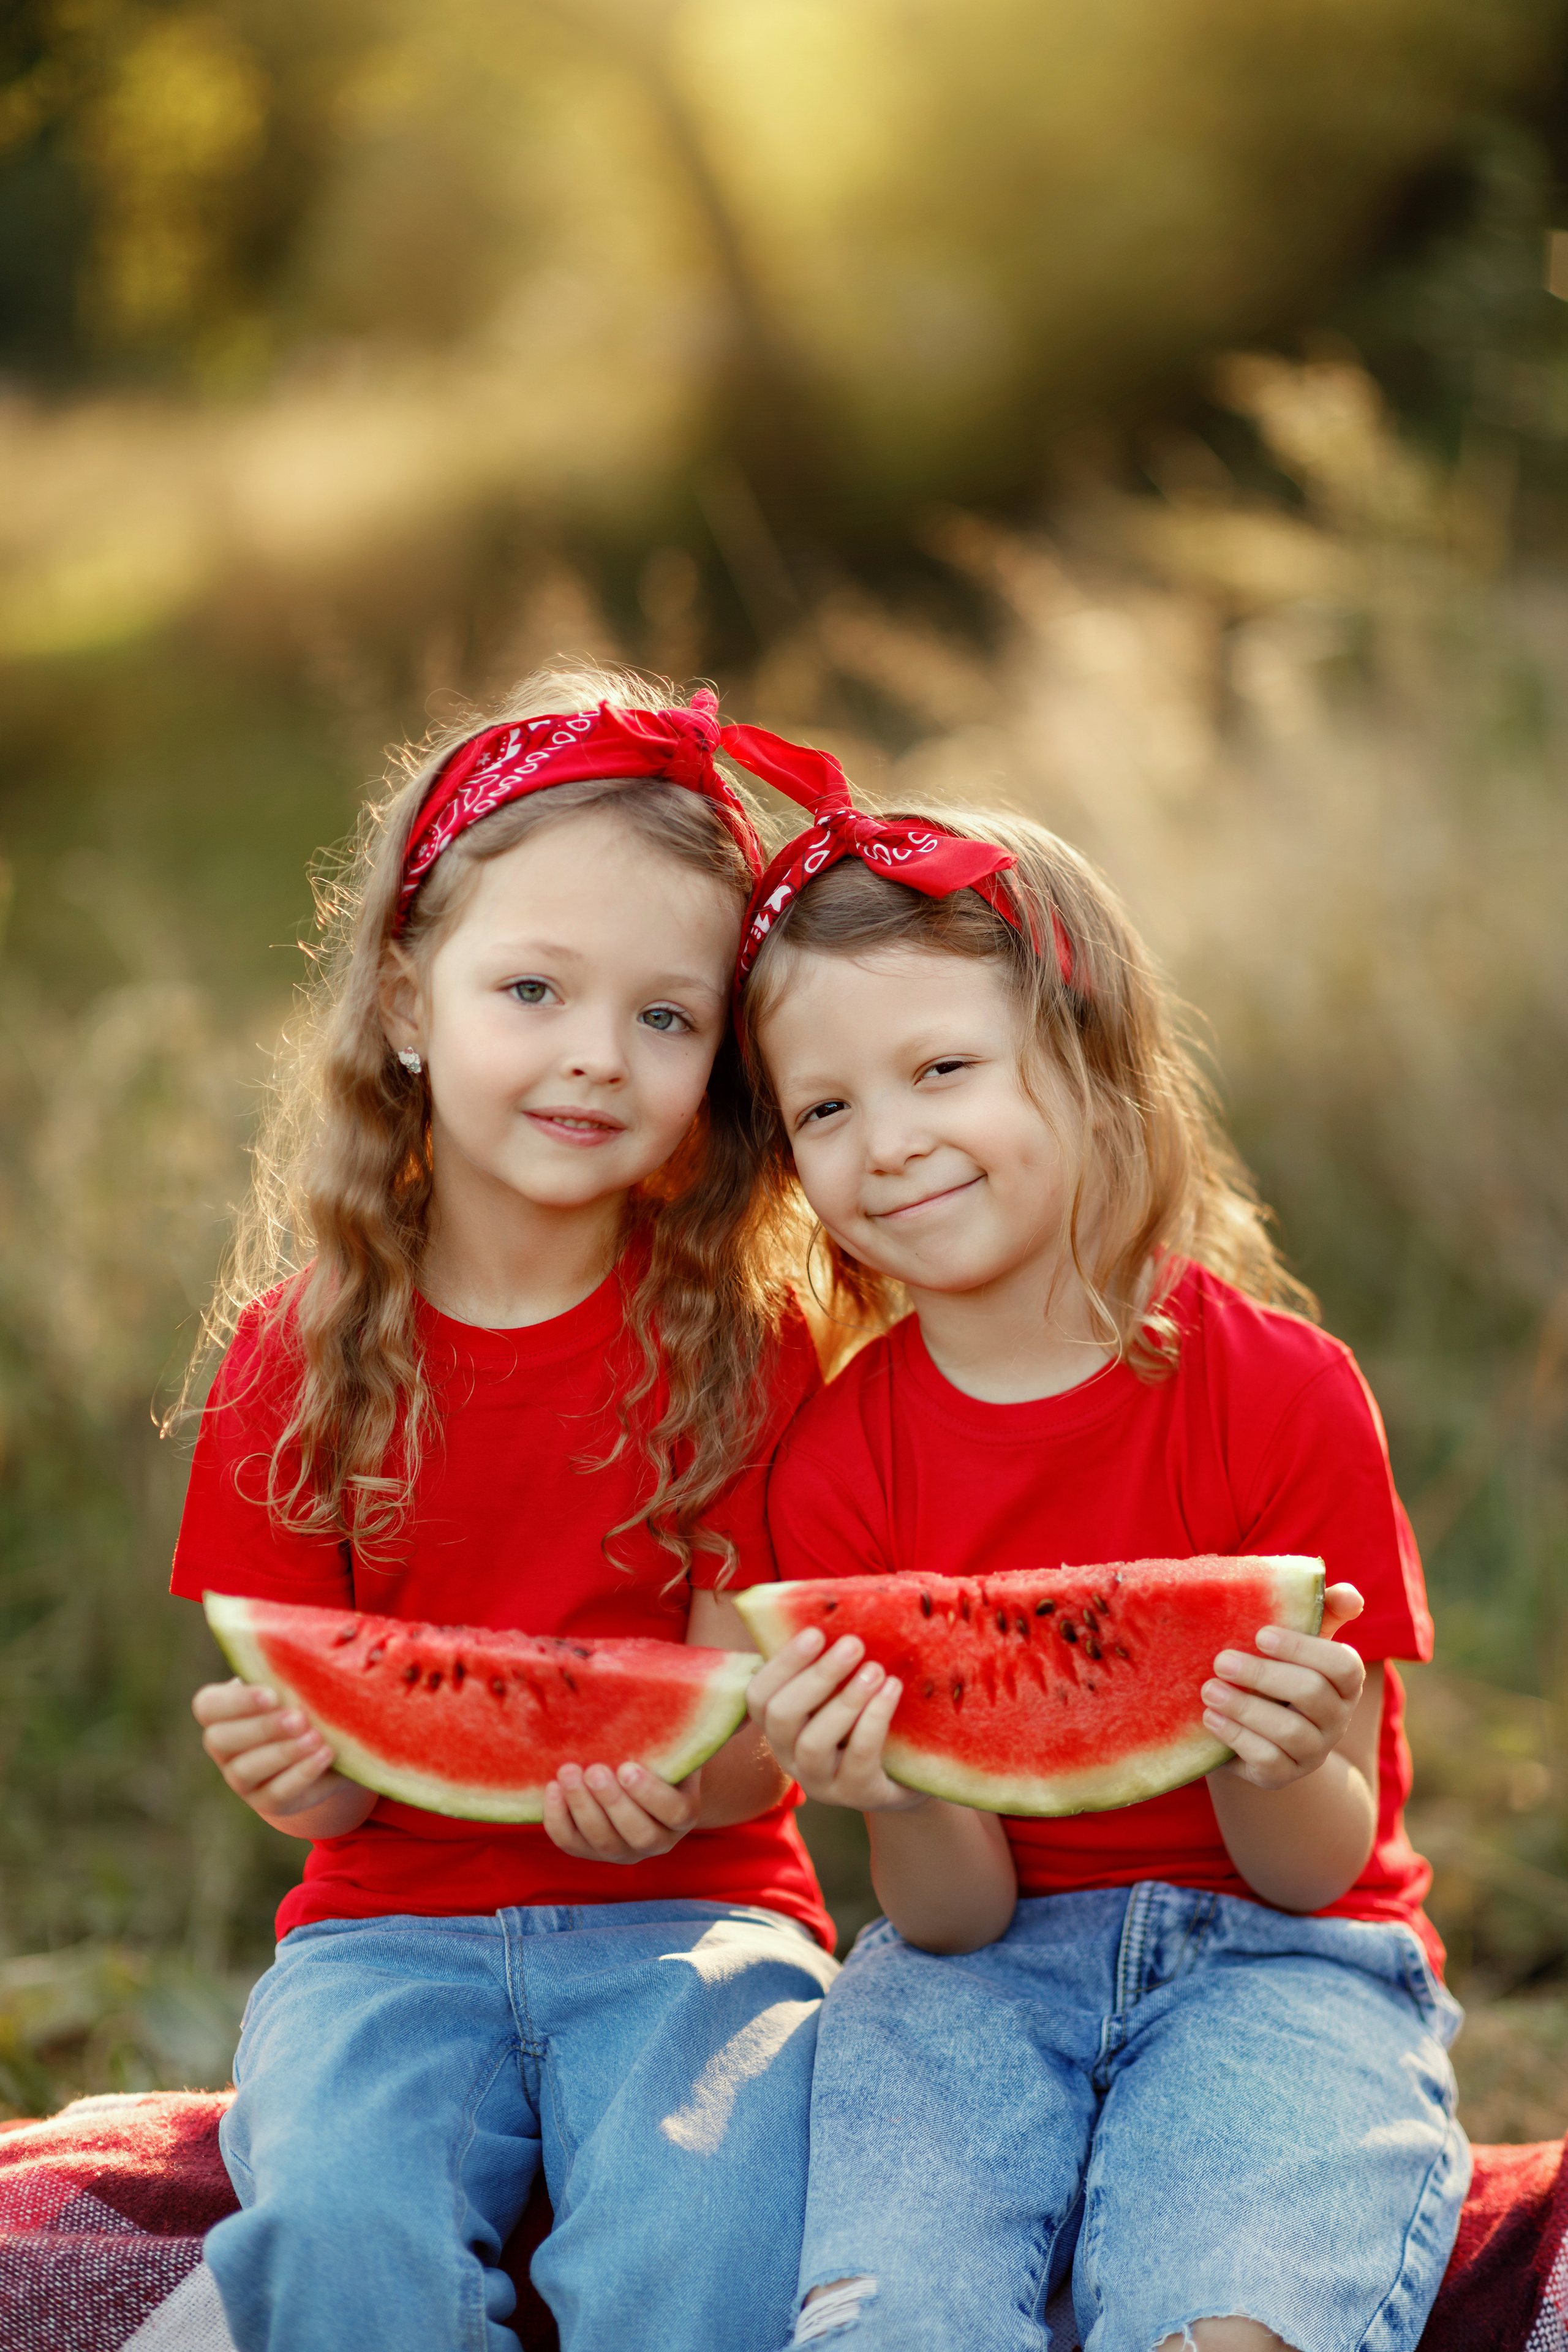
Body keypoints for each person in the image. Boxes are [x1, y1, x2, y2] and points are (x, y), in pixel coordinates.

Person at [734, 756, 1468, 2352]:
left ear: (1088, 1060)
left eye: (941, 1068)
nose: (891, 1141)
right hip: (970, 1987)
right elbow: (951, 1920)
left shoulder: (1282, 1395)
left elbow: (1315, 1861)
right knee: (884, 2319)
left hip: (1283, 1959)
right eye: (827, 1109)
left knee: (1231, 2324)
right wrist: (900, 1781)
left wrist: (1266, 1754)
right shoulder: (836, 1463)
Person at [170, 667, 842, 2352]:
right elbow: (318, 1767)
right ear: (408, 1000)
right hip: (384, 1936)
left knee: (714, 2240)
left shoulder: (753, 1354)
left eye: (665, 1018)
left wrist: (682, 1784)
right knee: (336, 2227)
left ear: (721, 1063)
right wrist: (302, 1768)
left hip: (702, 1920)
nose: (593, 1059)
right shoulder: (293, 1359)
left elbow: (747, 1732)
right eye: (533, 989)